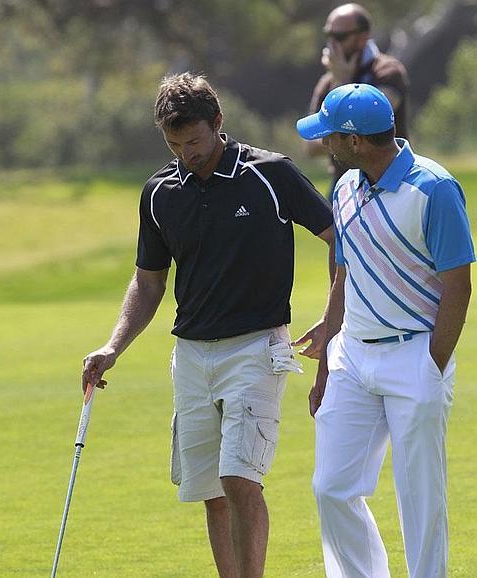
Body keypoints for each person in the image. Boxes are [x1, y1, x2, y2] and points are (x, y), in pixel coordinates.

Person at [82, 72, 334, 578]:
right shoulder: (159, 192)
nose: (186, 154)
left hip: (257, 348)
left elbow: (339, 240)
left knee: (240, 480)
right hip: (192, 358)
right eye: (174, 143)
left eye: (193, 141)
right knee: (211, 494)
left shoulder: (271, 173)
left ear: (218, 124)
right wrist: (113, 347)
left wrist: (333, 320)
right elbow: (148, 283)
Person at [295, 83, 474, 577]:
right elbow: (344, 273)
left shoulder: (433, 188)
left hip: (414, 356)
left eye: (330, 136)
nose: (323, 144)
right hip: (352, 357)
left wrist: (430, 364)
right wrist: (328, 355)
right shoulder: (345, 187)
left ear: (354, 142)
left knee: (419, 498)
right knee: (331, 487)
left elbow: (458, 286)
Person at [304, 3, 409, 201]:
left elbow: (370, 124)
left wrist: (343, 82)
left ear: (363, 38)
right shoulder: (328, 81)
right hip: (343, 181)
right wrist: (337, 80)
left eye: (340, 37)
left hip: (389, 178)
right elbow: (311, 145)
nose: (332, 44)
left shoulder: (387, 72)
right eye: (329, 35)